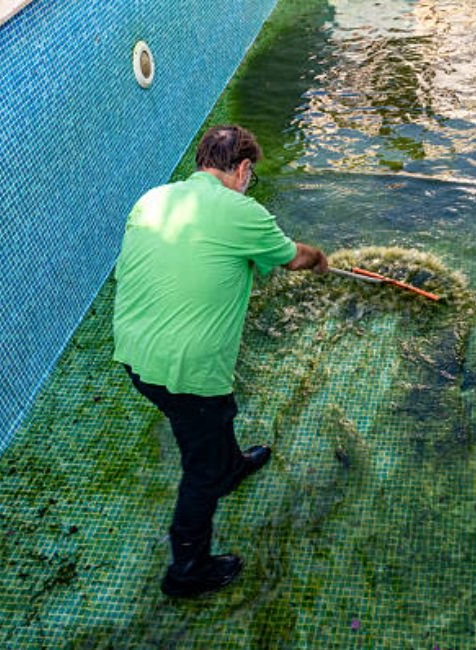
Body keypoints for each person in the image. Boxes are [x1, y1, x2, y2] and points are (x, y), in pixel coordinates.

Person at [112, 124, 327, 597]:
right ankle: (187, 568)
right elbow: (293, 258)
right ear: (244, 168)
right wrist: (321, 259)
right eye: (252, 173)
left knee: (212, 421)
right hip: (185, 371)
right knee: (200, 465)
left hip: (133, 353)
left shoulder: (152, 198)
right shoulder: (240, 211)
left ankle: (230, 466)